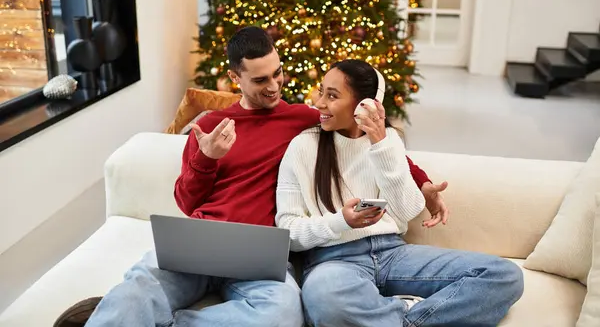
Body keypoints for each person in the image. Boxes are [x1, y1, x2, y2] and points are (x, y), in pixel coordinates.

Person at [54, 27, 446, 327]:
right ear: (235, 78)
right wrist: (206, 159)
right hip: (202, 242)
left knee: (282, 314)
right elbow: (186, 202)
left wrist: (423, 184)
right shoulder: (209, 126)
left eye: (278, 74)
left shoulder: (303, 119)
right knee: (138, 287)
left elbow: (371, 140)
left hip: (260, 254)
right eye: (261, 80)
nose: (274, 86)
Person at [275, 59, 524, 327]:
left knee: (504, 275)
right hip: (333, 262)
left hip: (393, 253)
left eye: (332, 96)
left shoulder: (388, 142)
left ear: (365, 105)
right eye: (321, 91)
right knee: (325, 299)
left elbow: (407, 211)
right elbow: (288, 232)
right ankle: (406, 315)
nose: (319, 102)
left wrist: (381, 146)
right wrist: (341, 221)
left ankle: (397, 320)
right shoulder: (303, 147)